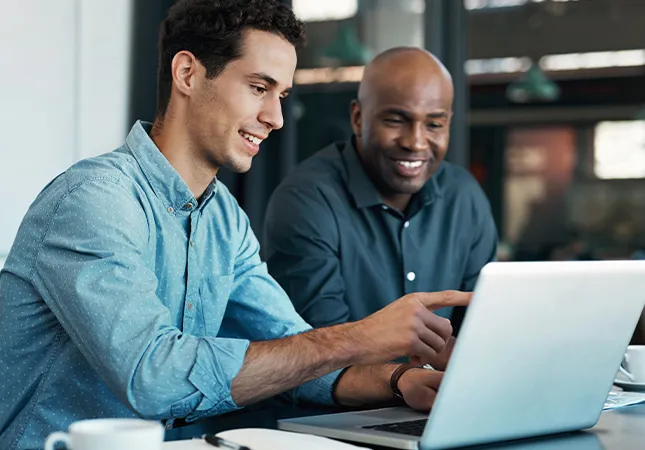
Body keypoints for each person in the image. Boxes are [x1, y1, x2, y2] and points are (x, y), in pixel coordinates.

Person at [0, 2, 469, 449]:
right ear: (188, 73)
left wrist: (401, 381)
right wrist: (359, 337)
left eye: (281, 95)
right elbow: (154, 376)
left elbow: (293, 351)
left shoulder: (223, 218)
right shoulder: (95, 200)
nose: (276, 118)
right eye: (259, 88)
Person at [264, 47, 497, 361]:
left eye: (434, 125)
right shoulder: (306, 199)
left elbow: (483, 331)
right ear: (358, 118)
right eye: (396, 120)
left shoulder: (463, 197)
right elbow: (318, 351)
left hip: (442, 401)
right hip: (333, 409)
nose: (415, 142)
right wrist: (407, 378)